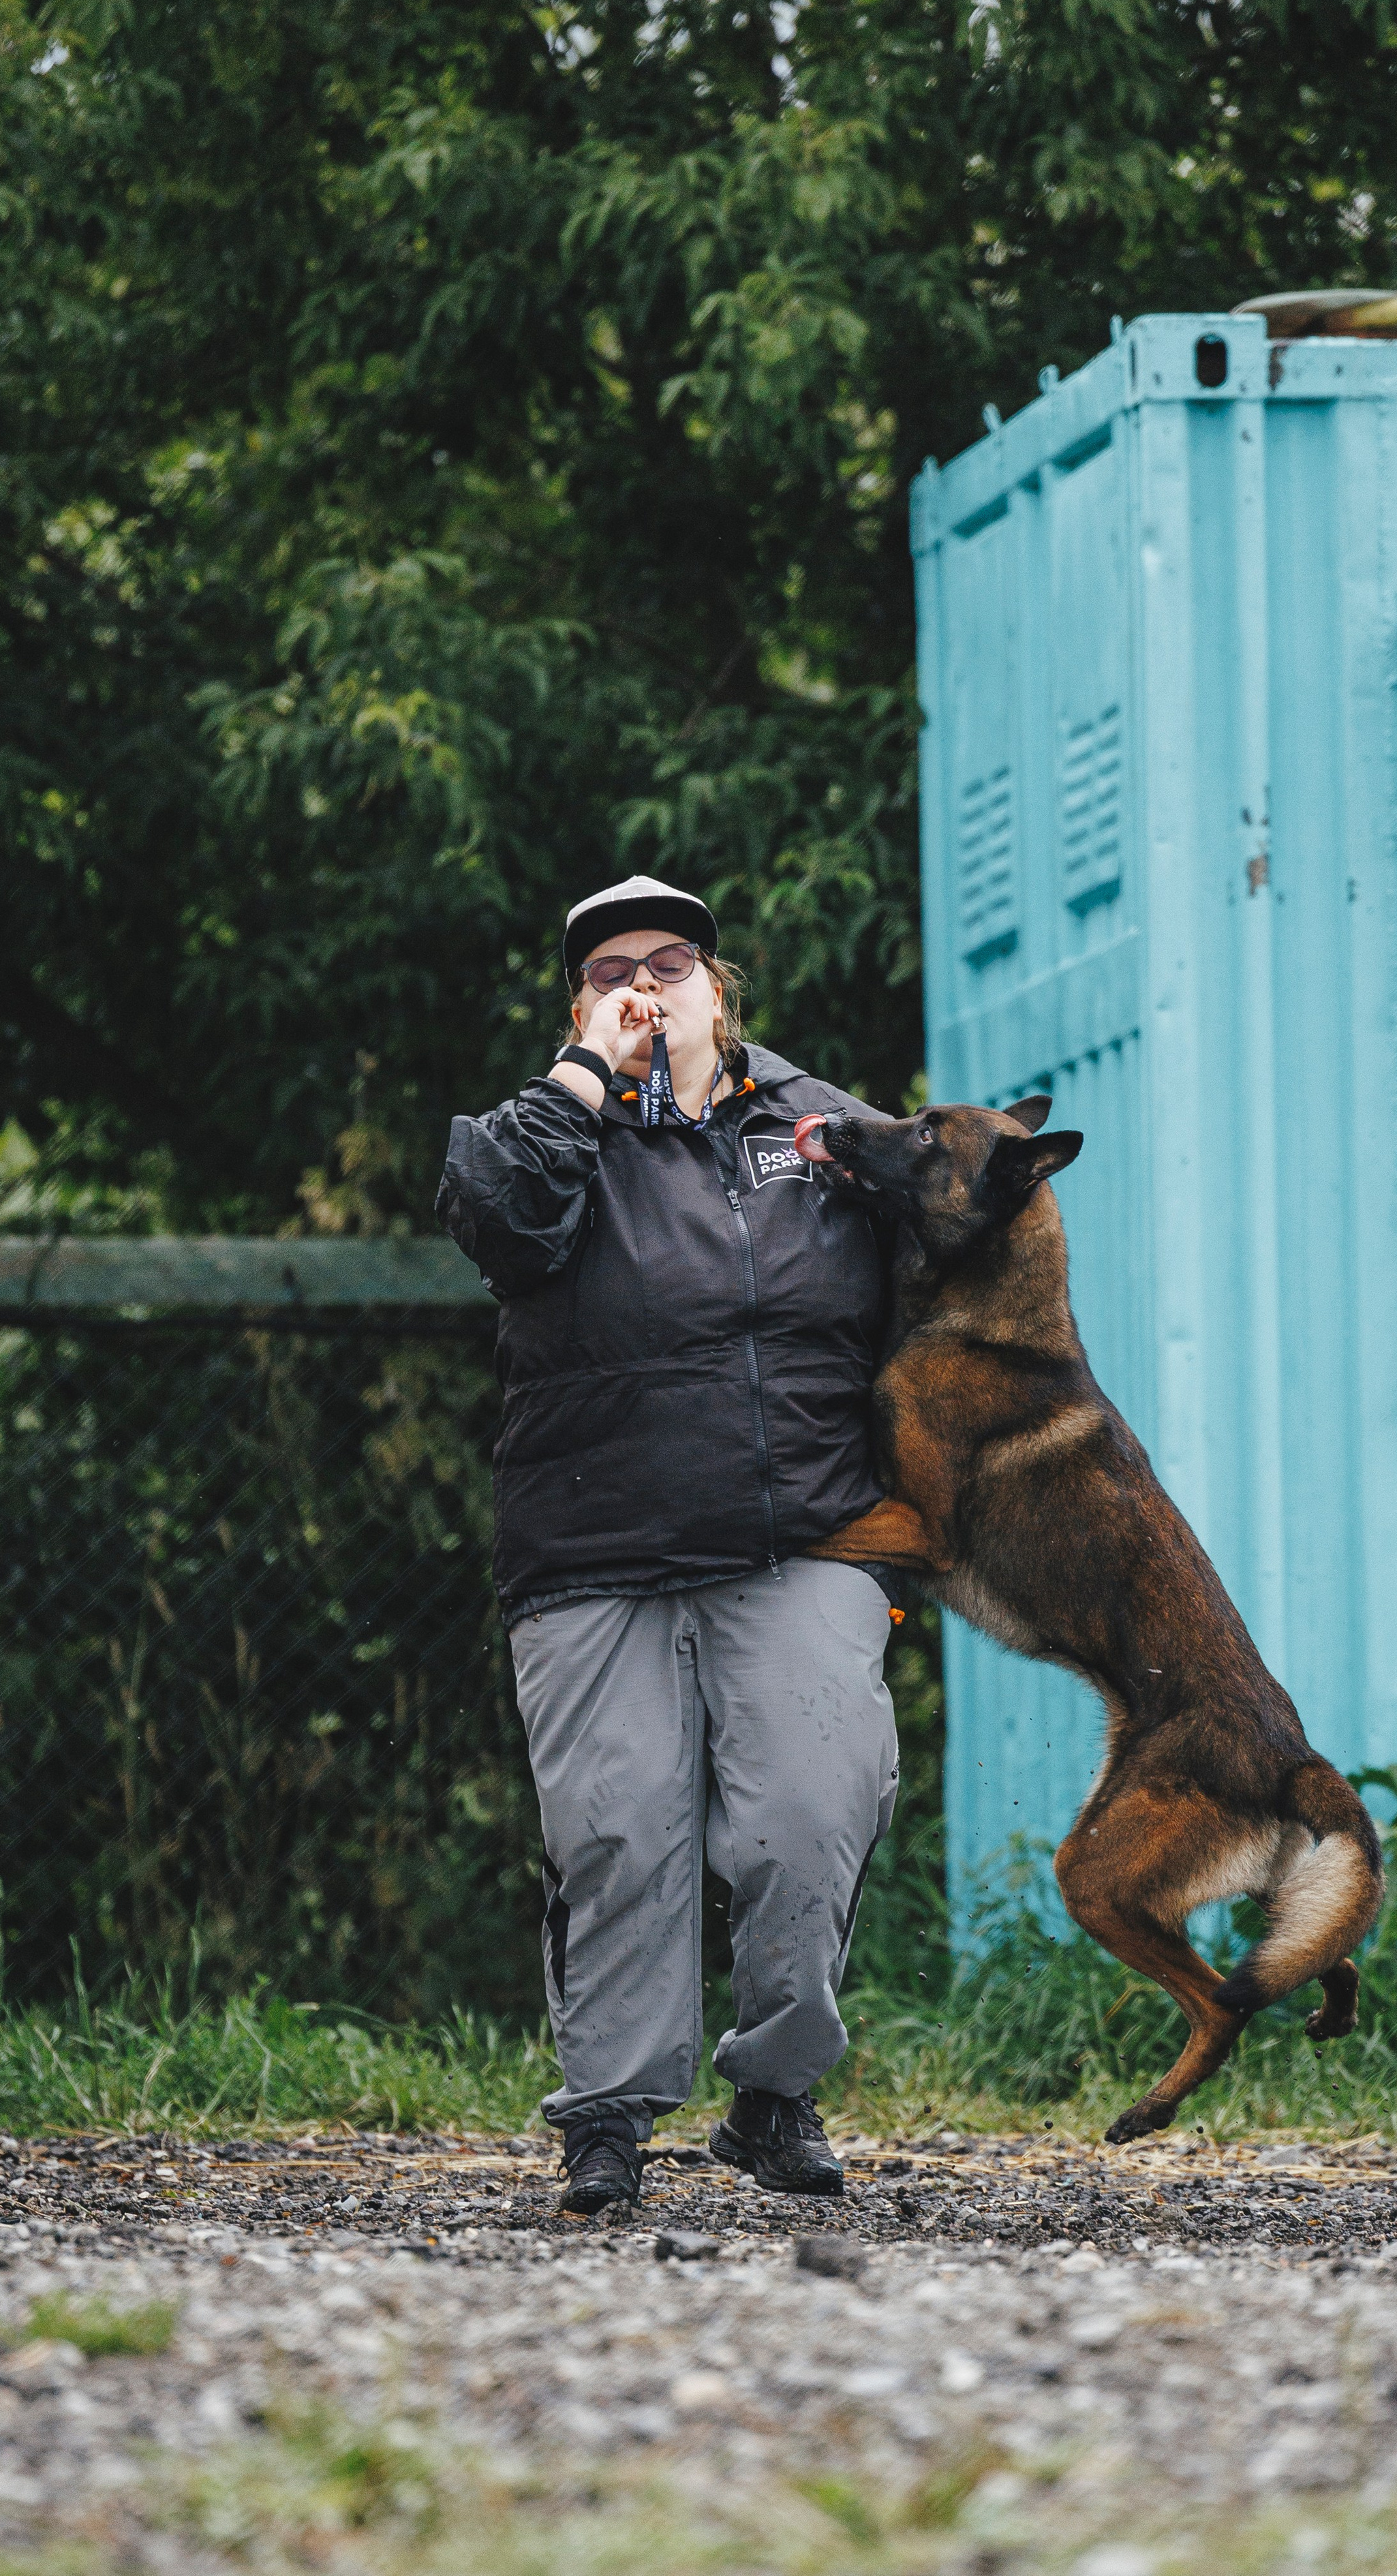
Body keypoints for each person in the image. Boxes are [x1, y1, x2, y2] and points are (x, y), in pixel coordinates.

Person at [436, 872, 900, 2213]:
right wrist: (587, 1074)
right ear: (576, 1004)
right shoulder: (537, 1131)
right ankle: (609, 2119)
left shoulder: (824, 1129)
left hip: (800, 1531)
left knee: (814, 1807)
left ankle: (773, 2094)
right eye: (605, 969)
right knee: (618, 1832)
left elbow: (945, 1262)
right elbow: (505, 1227)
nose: (644, 982)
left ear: (720, 982)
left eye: (671, 960)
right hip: (589, 1547)